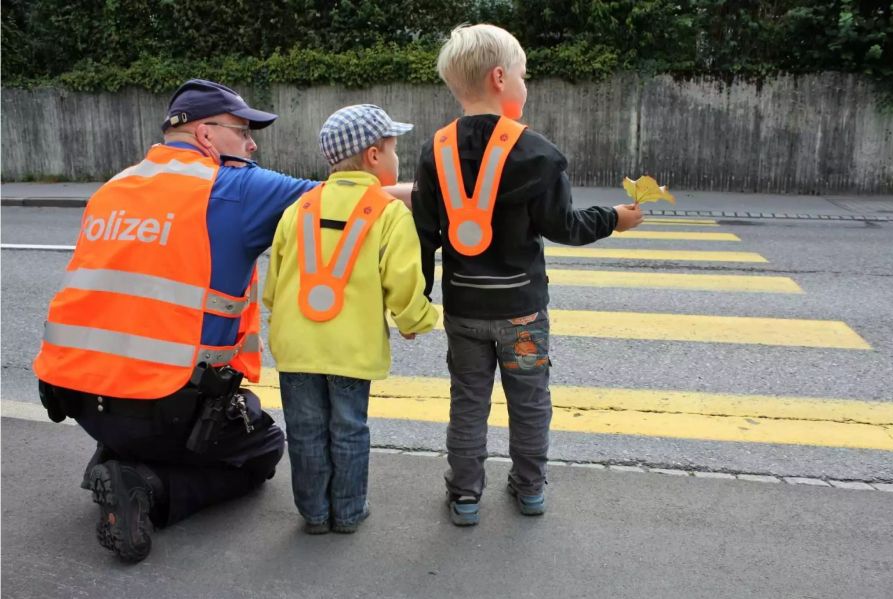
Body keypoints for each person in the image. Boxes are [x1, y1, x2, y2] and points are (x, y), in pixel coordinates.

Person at [32, 79, 412, 562]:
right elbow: (349, 199)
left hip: (79, 400)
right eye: (244, 131)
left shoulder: (116, 186)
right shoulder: (233, 188)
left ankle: (117, 456)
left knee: (164, 406)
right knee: (264, 445)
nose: (253, 144)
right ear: (206, 134)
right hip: (165, 405)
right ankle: (147, 486)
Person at [412, 24, 644, 526]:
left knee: (469, 404)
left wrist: (417, 300)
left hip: (465, 309)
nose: (525, 84)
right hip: (522, 311)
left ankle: (466, 495)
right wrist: (615, 219)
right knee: (530, 401)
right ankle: (530, 487)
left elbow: (423, 235)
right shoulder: (536, 152)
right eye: (524, 74)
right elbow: (564, 226)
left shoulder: (436, 150)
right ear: (500, 78)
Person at [263, 104, 438, 534]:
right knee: (349, 430)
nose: (399, 158)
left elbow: (271, 288)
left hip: (297, 349)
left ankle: (315, 515)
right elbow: (403, 284)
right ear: (374, 156)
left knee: (304, 432)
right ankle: (348, 511)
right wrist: (416, 319)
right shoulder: (389, 213)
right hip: (351, 350)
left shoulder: (298, 209)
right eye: (395, 149)